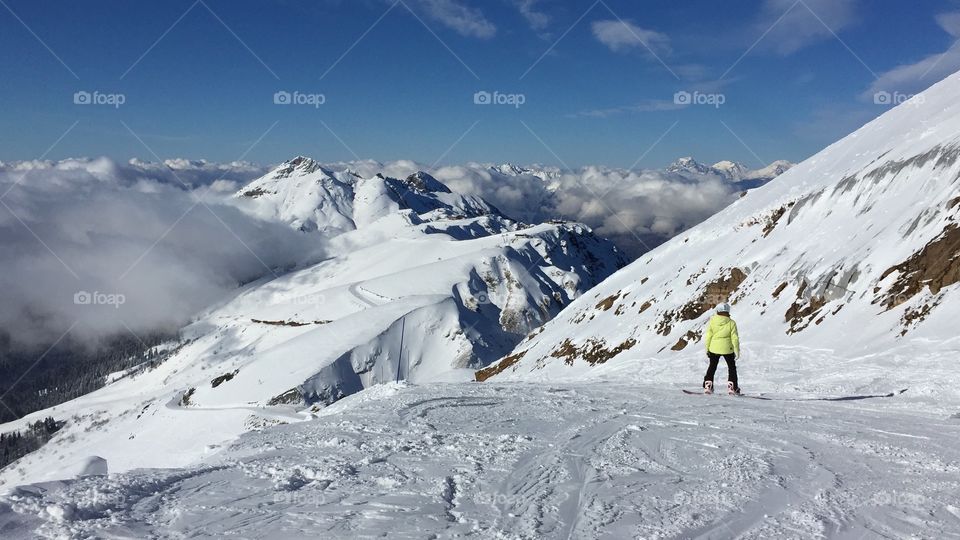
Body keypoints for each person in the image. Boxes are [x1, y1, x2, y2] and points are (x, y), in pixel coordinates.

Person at [703, 302, 740, 395]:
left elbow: (708, 336)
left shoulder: (712, 321)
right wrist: (737, 351)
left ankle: (708, 385)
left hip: (714, 348)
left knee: (712, 366)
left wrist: (707, 348)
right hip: (728, 348)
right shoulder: (732, 323)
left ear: (717, 311)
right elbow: (734, 338)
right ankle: (732, 387)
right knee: (731, 367)